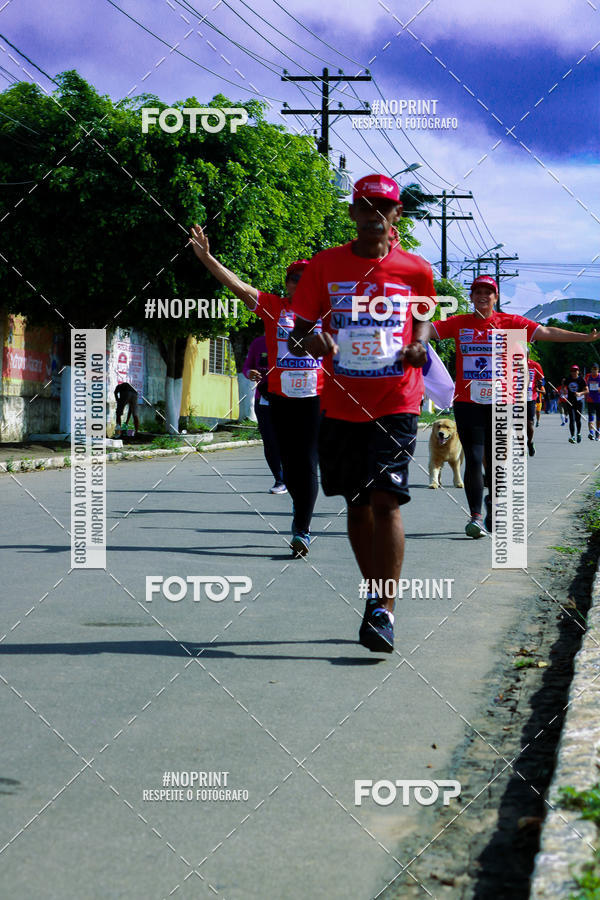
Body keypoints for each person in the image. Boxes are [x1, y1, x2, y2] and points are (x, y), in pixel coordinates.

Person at [288, 173, 435, 654]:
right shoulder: (325, 266)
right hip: (341, 404)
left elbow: (423, 316)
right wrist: (314, 341)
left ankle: (384, 611)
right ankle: (374, 595)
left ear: (396, 215)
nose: (374, 216)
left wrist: (417, 346)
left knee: (387, 499)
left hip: (397, 400)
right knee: (356, 503)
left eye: (383, 208)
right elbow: (299, 331)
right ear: (353, 213)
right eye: (365, 207)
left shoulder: (415, 269)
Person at [418, 275, 600, 537]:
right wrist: (395, 327)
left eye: (488, 292)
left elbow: (547, 332)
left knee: (496, 461)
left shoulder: (511, 323)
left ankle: (493, 505)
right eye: (477, 292)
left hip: (501, 403)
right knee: (474, 458)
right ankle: (475, 517)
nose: (483, 296)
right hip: (468, 403)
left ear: (496, 297)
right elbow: (424, 330)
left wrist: (583, 338)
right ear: (471, 297)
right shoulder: (459, 323)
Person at [190, 224, 321, 556]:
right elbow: (235, 284)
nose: (300, 284)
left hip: (315, 400)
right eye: (295, 279)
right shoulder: (273, 306)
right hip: (279, 400)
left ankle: (302, 529)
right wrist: (206, 258)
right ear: (287, 284)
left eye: (307, 280)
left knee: (307, 462)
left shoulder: (329, 312)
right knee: (289, 465)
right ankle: (299, 509)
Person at [243, 334, 286, 492]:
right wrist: (250, 373)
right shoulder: (258, 342)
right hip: (263, 400)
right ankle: (279, 480)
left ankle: (292, 476)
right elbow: (247, 367)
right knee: (270, 442)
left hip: (289, 400)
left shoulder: (295, 341)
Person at [526, 355, 544, 456]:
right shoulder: (512, 363)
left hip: (530, 398)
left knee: (529, 423)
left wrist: (540, 384)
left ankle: (530, 442)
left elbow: (541, 379)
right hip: (515, 398)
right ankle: (521, 447)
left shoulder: (535, 365)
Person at [566, 363, 587, 443]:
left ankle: (578, 433)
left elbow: (587, 390)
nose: (574, 372)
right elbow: (563, 388)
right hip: (570, 401)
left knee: (578, 419)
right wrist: (563, 391)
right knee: (572, 419)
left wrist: (580, 393)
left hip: (579, 401)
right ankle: (572, 436)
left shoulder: (581, 380)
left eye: (575, 371)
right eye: (572, 371)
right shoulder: (568, 379)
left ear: (578, 371)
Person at [585, 363, 600, 440]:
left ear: (598, 370)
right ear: (591, 369)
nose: (594, 371)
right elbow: (584, 385)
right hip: (590, 399)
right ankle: (591, 433)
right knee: (591, 417)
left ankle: (597, 432)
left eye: (595, 369)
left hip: (598, 400)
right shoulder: (588, 376)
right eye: (593, 369)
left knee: (598, 418)